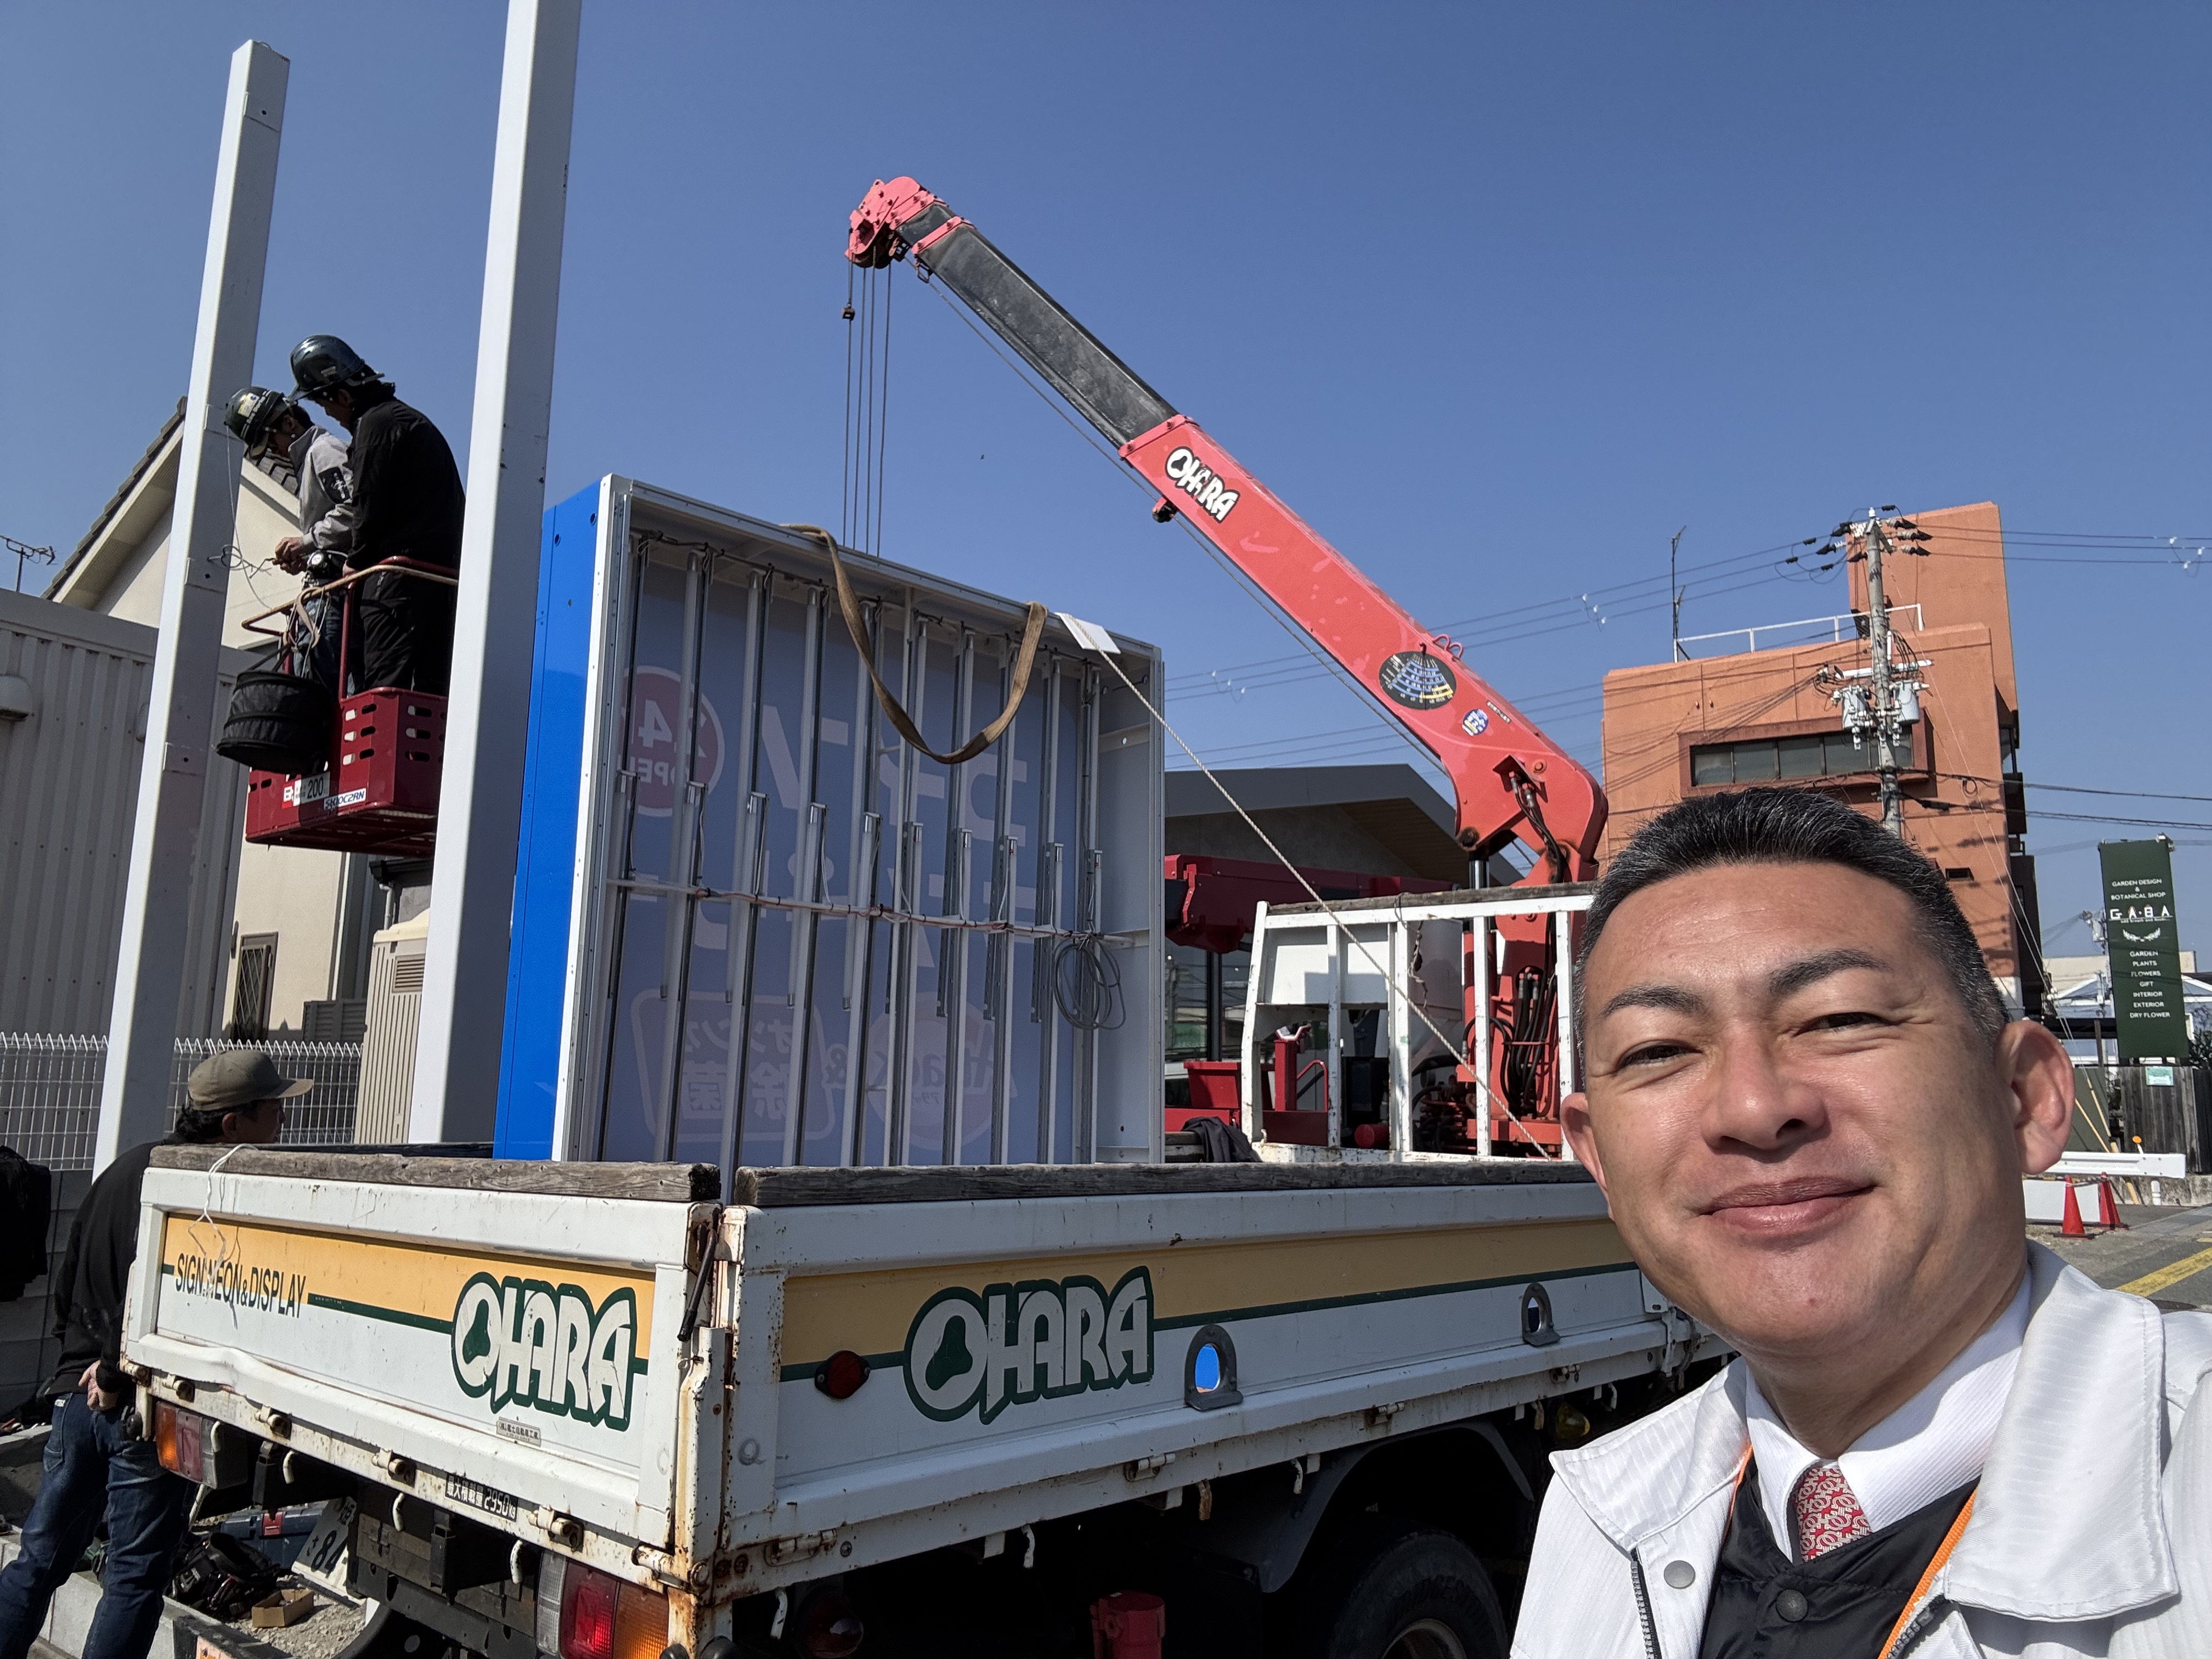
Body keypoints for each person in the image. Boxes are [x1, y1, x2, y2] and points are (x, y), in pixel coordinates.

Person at [1516, 788, 2211, 1659]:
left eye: (1839, 1018)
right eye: (1659, 1050)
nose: (1753, 1109)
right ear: (1599, 1161)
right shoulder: (1595, 1516)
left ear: (2024, 1098)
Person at [0, 1053, 307, 1659]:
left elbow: (69, 1280)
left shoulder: (125, 1168)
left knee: (39, 1559)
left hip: (76, 1398)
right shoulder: (197, 1188)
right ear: (232, 1123)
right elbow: (157, 1290)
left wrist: (76, 1368)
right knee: (134, 1578)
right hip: (143, 1406)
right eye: (273, 1110)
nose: (282, 1123)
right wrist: (115, 1371)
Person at [286, 335, 464, 695]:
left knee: (382, 689)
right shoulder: (408, 420)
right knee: (430, 692)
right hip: (442, 580)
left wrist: (356, 562)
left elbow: (368, 503)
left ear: (342, 396)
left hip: (395, 583)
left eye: (325, 405)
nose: (329, 416)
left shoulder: (376, 426)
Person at [223, 386, 354, 691]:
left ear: (288, 422)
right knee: (311, 679)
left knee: (318, 687)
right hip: (328, 591)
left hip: (335, 593)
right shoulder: (311, 459)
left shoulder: (324, 451)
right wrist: (307, 557)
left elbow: (356, 510)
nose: (273, 451)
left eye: (270, 441)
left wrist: (306, 543)